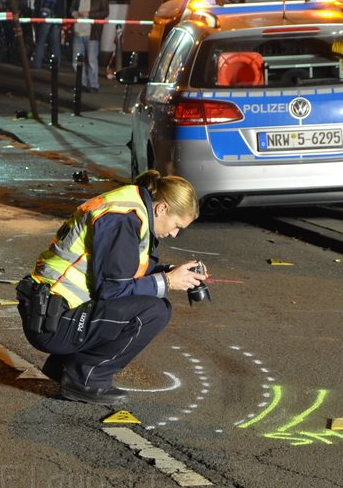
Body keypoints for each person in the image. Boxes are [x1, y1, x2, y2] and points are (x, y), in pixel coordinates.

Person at [15, 170, 209, 405]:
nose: (175, 234)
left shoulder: (130, 207)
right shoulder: (123, 218)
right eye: (177, 225)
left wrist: (171, 272)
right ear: (162, 209)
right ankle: (86, 378)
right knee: (154, 311)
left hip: (54, 312)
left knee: (154, 305)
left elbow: (121, 273)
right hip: (53, 321)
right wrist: (167, 281)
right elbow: (113, 291)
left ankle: (65, 366)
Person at [69, 0, 110, 92]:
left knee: (92, 60)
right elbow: (72, 7)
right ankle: (81, 83)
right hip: (78, 31)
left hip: (92, 33)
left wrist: (90, 14)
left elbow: (105, 12)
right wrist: (74, 13)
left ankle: (93, 85)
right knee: (77, 61)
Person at [31, 0, 63, 70]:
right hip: (56, 18)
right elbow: (60, 6)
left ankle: (37, 63)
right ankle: (56, 64)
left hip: (44, 19)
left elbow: (37, 6)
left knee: (41, 41)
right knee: (55, 43)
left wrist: (36, 20)